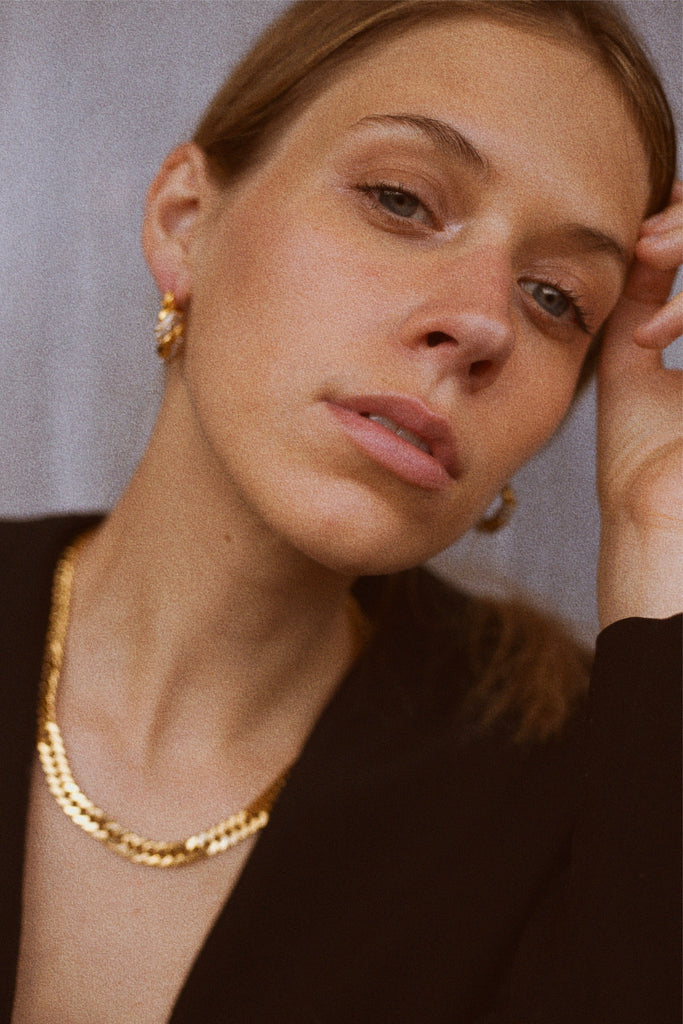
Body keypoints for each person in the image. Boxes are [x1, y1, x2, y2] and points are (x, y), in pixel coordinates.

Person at [2, 1, 680, 1021]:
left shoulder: (588, 813)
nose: (481, 321)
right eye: (400, 200)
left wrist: (657, 526)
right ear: (186, 221)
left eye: (554, 297)